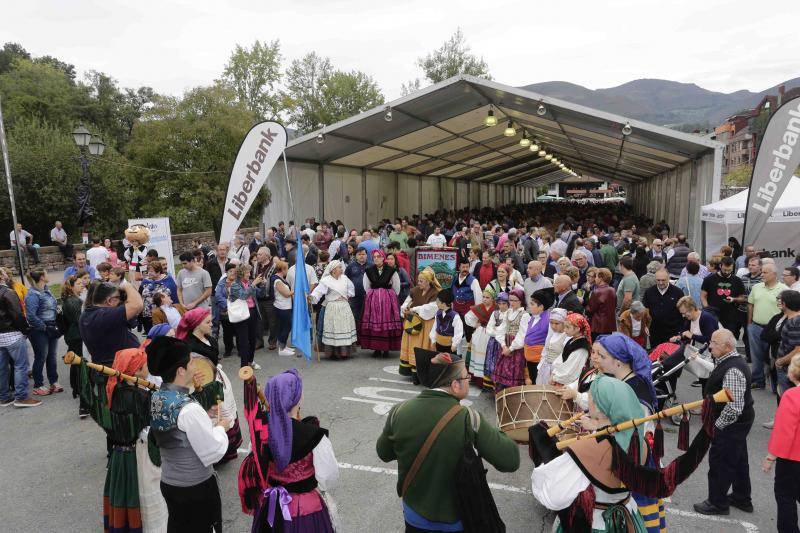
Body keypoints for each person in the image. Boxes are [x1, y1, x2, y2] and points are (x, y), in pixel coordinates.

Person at [377, 351, 520, 532]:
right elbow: (511, 460)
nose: (468, 379)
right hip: (455, 520)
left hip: (414, 517)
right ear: (455, 385)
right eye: (466, 376)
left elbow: (383, 453)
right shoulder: (469, 419)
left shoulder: (399, 411)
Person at [531, 375, 650, 532]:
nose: (588, 401)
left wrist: (544, 450)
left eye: (591, 398)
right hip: (627, 518)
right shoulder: (640, 441)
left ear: (601, 408)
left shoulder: (592, 448)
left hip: (594, 523)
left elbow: (553, 496)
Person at [240, 369, 340, 532]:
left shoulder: (261, 434)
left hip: (271, 506)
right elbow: (329, 478)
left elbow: (258, 465)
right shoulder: (314, 435)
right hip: (306, 509)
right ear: (297, 399)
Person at [147, 336, 230, 532]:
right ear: (181, 370)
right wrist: (221, 427)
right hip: (195, 488)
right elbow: (212, 452)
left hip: (170, 482)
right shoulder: (189, 409)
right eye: (191, 360)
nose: (195, 362)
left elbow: (176, 432)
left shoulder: (158, 396)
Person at [693, 329, 755, 516]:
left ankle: (717, 503)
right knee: (738, 459)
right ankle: (742, 498)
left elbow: (734, 407)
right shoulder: (727, 361)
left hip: (731, 423)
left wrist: (717, 426)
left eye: (714, 343)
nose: (710, 346)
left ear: (728, 347)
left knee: (721, 462)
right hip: (739, 421)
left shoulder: (733, 369)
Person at [176, 308, 242, 464]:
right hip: (202, 385)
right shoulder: (188, 345)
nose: (211, 324)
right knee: (212, 415)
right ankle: (214, 453)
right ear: (197, 325)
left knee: (225, 411)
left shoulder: (210, 339)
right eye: (207, 322)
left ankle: (228, 448)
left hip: (218, 379)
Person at [763, 353, 800, 533]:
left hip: (792, 458)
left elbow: (784, 431)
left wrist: (770, 457)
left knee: (786, 496)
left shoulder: (792, 395)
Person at [0, 268, 40, 408]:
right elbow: (17, 314)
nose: (6, 274)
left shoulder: (7, 292)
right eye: (3, 273)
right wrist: (26, 330)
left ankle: (4, 396)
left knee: (2, 368)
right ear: (1, 276)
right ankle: (21, 397)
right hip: (12, 334)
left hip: (1, 335)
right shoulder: (8, 292)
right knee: (20, 366)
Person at [79, 280, 144, 366]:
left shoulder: (87, 314)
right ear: (110, 301)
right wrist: (126, 285)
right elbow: (137, 305)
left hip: (106, 368)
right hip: (118, 371)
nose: (121, 302)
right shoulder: (105, 316)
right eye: (118, 298)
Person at [749, 263, 789, 389]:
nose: (762, 275)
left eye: (765, 272)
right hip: (756, 326)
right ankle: (758, 381)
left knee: (773, 356)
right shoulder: (756, 287)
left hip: (774, 329)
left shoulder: (784, 289)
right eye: (762, 272)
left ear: (774, 274)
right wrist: (749, 323)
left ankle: (775, 384)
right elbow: (751, 304)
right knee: (756, 356)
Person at [309, 259, 358, 359]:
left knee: (344, 328)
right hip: (332, 308)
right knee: (334, 329)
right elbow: (318, 292)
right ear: (333, 270)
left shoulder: (344, 278)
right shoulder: (326, 281)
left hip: (344, 307)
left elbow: (351, 289)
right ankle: (334, 353)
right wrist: (312, 297)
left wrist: (347, 296)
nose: (342, 269)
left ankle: (344, 352)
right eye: (339, 267)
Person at [25, 270, 62, 396]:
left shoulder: (47, 290)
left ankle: (54, 382)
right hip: (39, 331)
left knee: (52, 356)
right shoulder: (32, 295)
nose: (48, 276)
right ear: (42, 277)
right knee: (41, 357)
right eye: (46, 274)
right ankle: (38, 385)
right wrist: (45, 327)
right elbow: (31, 316)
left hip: (51, 327)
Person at [399, 268, 441, 380]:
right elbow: (406, 302)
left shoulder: (435, 293)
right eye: (419, 280)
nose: (419, 283)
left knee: (423, 347)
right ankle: (413, 373)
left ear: (428, 281)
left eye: (421, 281)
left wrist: (414, 309)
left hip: (426, 325)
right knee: (412, 347)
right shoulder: (415, 291)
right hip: (412, 323)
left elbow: (430, 309)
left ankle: (422, 374)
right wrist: (405, 308)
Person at [361, 249, 402, 357]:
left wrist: (389, 297)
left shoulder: (391, 270)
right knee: (375, 322)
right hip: (373, 300)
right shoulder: (369, 270)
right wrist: (373, 296)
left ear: (383, 258)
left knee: (386, 322)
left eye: (378, 256)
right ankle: (376, 348)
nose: (376, 259)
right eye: (374, 257)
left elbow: (396, 287)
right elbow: (366, 286)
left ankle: (386, 348)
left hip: (387, 301)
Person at [492, 287, 531, 390]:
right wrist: (504, 346)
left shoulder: (524, 315)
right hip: (505, 347)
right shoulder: (508, 312)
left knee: (514, 373)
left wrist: (511, 348)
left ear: (521, 301)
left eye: (515, 300)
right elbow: (501, 330)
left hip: (516, 350)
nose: (512, 302)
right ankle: (502, 397)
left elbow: (522, 335)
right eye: (510, 300)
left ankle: (512, 398)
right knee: (502, 371)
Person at [61, 275, 89, 416]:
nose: (82, 284)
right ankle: (78, 388)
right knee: (78, 364)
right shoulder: (72, 301)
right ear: (71, 286)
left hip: (74, 335)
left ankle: (76, 388)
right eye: (78, 283)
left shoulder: (73, 299)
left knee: (75, 364)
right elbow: (79, 319)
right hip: (76, 336)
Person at [228, 264, 265, 368]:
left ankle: (250, 361)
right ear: (241, 273)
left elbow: (261, 294)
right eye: (247, 272)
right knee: (244, 343)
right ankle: (244, 367)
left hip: (252, 312)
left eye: (250, 272)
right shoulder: (235, 285)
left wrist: (262, 285)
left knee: (253, 340)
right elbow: (243, 295)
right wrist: (253, 285)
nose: (249, 274)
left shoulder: (249, 282)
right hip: (241, 314)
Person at [464, 287, 497, 387]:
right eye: (483, 297)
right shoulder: (479, 307)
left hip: (490, 334)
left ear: (492, 299)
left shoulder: (496, 308)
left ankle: (486, 380)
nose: (485, 299)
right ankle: (475, 377)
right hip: (480, 333)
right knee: (477, 354)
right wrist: (475, 324)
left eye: (487, 297)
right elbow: (468, 316)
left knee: (487, 355)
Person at [642, 269, 684, 347]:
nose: (661, 283)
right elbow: (644, 310)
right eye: (658, 280)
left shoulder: (677, 292)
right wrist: (645, 325)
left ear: (668, 279)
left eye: (663, 280)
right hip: (655, 332)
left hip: (673, 333)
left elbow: (683, 314)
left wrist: (681, 331)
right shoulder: (649, 292)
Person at [550, 312, 591, 387]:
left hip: (570, 384)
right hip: (561, 378)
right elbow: (561, 358)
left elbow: (570, 371)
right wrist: (554, 372)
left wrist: (555, 377)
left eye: (568, 327)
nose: (564, 330)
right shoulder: (573, 339)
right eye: (564, 327)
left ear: (578, 328)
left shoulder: (581, 348)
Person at [523, 289, 553, 385]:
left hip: (539, 360)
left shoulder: (548, 320)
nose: (529, 306)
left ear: (541, 307)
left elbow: (549, 341)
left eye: (532, 304)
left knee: (537, 383)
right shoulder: (533, 316)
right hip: (529, 357)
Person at [429, 289, 464, 355]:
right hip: (438, 344)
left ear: (444, 303)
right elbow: (435, 328)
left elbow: (458, 332)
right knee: (439, 362)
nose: (436, 303)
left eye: (438, 301)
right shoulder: (438, 313)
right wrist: (433, 340)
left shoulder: (455, 316)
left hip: (449, 346)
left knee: (449, 364)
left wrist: (454, 344)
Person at [272, 261, 295, 356]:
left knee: (284, 326)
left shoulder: (281, 279)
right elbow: (286, 294)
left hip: (286, 306)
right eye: (287, 269)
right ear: (282, 269)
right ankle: (281, 348)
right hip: (282, 307)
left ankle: (283, 346)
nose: (288, 271)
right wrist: (295, 290)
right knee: (286, 327)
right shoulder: (277, 280)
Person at [586, 267, 616, 338]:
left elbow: (590, 309)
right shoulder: (612, 290)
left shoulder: (597, 292)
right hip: (609, 326)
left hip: (597, 326)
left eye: (596, 276)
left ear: (601, 278)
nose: (595, 279)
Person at [345, 247, 368, 330]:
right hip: (354, 297)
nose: (362, 256)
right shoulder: (351, 266)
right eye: (359, 254)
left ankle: (365, 335)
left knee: (367, 316)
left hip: (368, 296)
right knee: (355, 316)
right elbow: (345, 280)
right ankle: (356, 336)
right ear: (355, 256)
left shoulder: (371, 265)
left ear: (366, 255)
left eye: (363, 254)